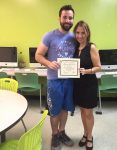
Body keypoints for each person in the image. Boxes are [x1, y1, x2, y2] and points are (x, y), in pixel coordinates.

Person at [35, 5, 76, 150]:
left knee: (65, 109)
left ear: (73, 20)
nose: (67, 20)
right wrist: (48, 63)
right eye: (64, 17)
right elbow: (38, 55)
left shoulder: (75, 37)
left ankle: (62, 132)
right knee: (55, 111)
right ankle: (54, 135)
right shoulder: (49, 36)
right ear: (59, 18)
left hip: (69, 80)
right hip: (54, 80)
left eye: (70, 18)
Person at [73, 20, 101, 150]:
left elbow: (98, 67)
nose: (80, 35)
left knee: (88, 113)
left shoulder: (92, 47)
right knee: (83, 112)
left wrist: (87, 71)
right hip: (78, 85)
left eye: (83, 33)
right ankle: (85, 133)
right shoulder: (75, 47)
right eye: (77, 32)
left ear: (87, 33)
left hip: (89, 84)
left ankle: (90, 137)